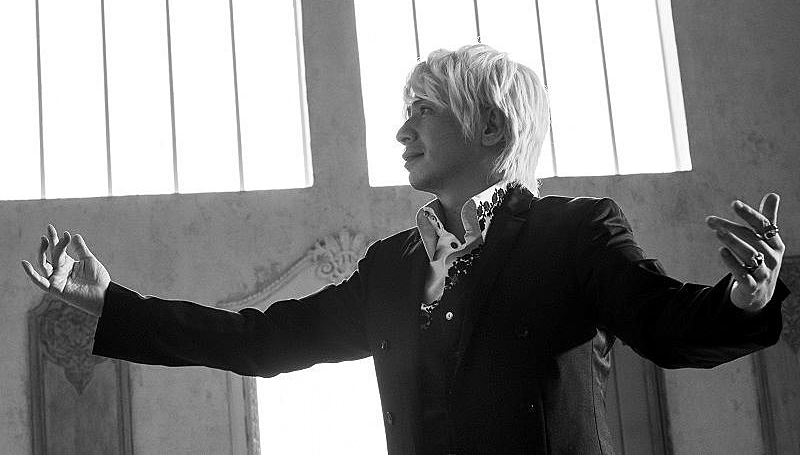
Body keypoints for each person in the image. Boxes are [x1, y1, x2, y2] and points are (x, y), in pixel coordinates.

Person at [22, 44, 788, 454]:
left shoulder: (575, 232)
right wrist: (108, 305)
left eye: (423, 108)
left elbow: (663, 322)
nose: (400, 130)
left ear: (490, 126)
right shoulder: (391, 266)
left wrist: (744, 297)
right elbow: (260, 339)